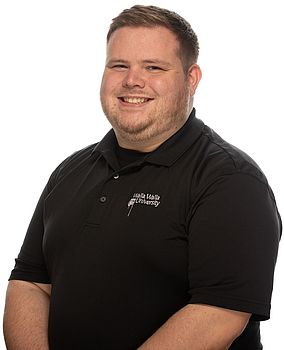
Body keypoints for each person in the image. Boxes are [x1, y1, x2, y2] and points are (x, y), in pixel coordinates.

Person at [3, 4, 281, 350]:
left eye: (153, 67)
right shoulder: (71, 170)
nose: (132, 80)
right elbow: (30, 282)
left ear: (190, 79)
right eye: (119, 65)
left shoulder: (231, 181)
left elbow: (218, 315)